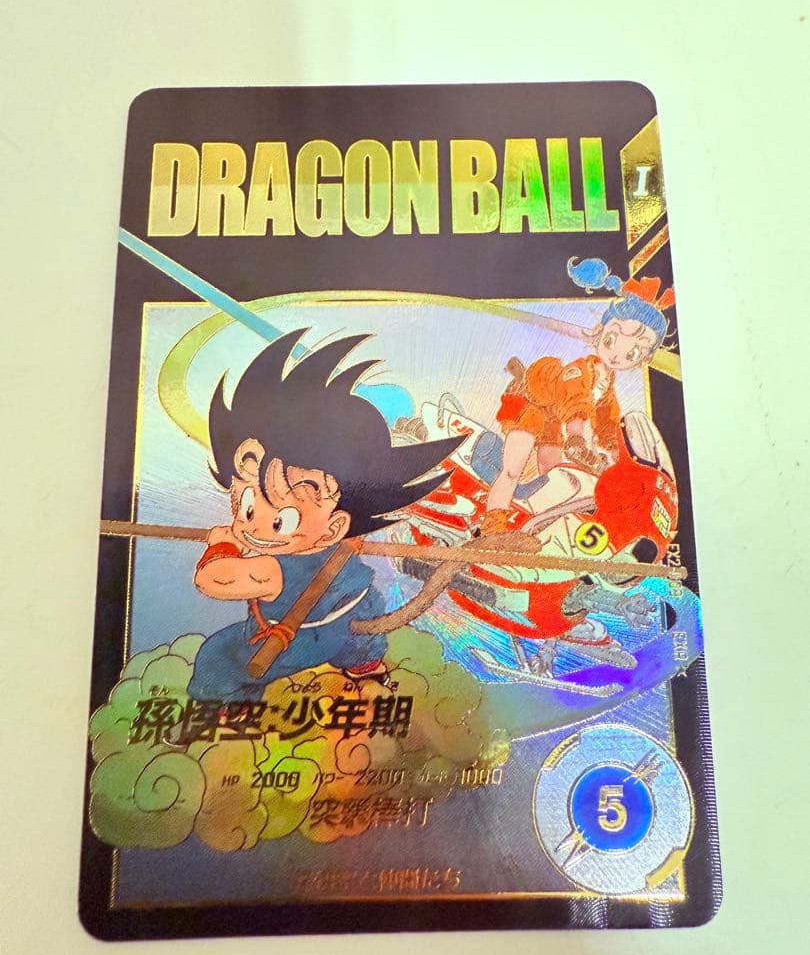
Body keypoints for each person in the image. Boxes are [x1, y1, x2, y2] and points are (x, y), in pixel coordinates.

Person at [187, 329, 465, 702]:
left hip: (302, 638)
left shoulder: (272, 569)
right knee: (361, 599)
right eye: (247, 505)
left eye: (279, 521)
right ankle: (366, 666)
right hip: (349, 621)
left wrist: (223, 546)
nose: (251, 525)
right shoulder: (338, 538)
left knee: (216, 657)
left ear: (334, 527)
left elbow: (213, 580)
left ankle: (229, 708)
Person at [482, 257, 673, 533]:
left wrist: (616, 456)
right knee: (513, 468)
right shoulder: (581, 370)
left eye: (632, 353)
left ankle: (539, 527)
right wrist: (575, 438)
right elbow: (576, 402)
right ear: (600, 331)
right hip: (528, 407)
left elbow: (607, 422)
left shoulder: (607, 385)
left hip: (552, 419)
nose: (617, 355)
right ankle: (493, 525)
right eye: (611, 339)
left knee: (555, 475)